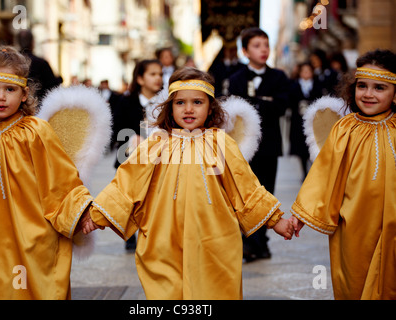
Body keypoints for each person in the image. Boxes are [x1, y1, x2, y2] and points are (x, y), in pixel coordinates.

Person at [80, 67, 294, 299]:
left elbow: (246, 187)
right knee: (167, 292)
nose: (189, 109)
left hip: (214, 237)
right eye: (180, 103)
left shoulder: (221, 143)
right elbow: (126, 183)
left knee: (213, 291)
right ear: (170, 106)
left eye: (197, 102)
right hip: (162, 237)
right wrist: (98, 215)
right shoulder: (156, 144)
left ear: (210, 106)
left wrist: (275, 220)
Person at [0, 46, 95, 299]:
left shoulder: (36, 131)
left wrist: (80, 213)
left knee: (28, 288)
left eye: (10, 89)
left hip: (32, 233)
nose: (1, 97)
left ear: (25, 94)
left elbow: (60, 177)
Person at [290, 49, 396, 300]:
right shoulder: (345, 128)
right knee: (354, 283)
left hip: (393, 225)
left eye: (379, 88)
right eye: (362, 86)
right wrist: (303, 213)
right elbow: (324, 172)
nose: (368, 94)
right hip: (353, 225)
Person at [227, 27, 290, 262]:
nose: (263, 49)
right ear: (245, 51)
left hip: (269, 145)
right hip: (243, 147)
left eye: (266, 44)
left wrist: (254, 103)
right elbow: (235, 111)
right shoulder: (235, 79)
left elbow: (281, 107)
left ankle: (261, 243)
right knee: (244, 194)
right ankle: (248, 243)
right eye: (256, 45)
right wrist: (264, 102)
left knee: (266, 192)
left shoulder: (279, 77)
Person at [111, 59, 163, 249]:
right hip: (129, 157)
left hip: (156, 158)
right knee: (130, 196)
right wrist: (131, 138)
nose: (158, 78)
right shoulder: (126, 101)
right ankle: (129, 232)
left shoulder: (164, 102)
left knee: (152, 195)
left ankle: (150, 231)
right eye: (152, 74)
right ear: (140, 79)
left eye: (160, 74)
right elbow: (115, 128)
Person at [288, 62, 323, 177]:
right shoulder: (294, 86)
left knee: (313, 145)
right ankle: (304, 171)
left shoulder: (318, 86)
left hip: (314, 122)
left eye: (309, 70)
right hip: (298, 121)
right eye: (304, 71)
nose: (306, 73)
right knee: (300, 147)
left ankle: (312, 170)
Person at [16, 29, 62, 104]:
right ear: (32, 43)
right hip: (38, 106)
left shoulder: (11, 62)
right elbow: (53, 86)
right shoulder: (41, 63)